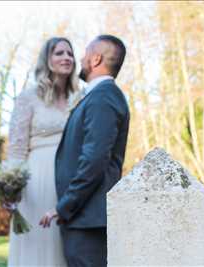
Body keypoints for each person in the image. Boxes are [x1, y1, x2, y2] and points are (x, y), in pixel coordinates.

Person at [40, 35, 130, 267]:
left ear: (96, 59)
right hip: (85, 217)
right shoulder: (99, 96)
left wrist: (65, 206)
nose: (80, 58)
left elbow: (94, 160)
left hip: (88, 218)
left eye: (85, 53)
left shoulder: (104, 97)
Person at [7, 37, 79, 267]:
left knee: (64, 245)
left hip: (70, 177)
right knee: (39, 242)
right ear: (47, 60)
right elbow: (17, 146)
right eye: (59, 53)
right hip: (37, 179)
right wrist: (11, 187)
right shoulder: (28, 97)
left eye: (70, 53)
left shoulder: (79, 98)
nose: (67, 57)